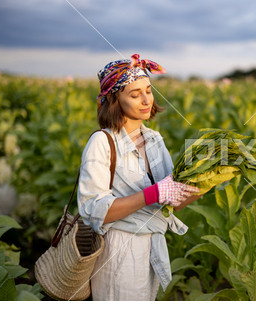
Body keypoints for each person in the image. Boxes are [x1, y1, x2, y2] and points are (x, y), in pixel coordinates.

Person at [77, 54, 199, 301]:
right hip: (119, 250)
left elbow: (170, 204)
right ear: (114, 99)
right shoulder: (102, 142)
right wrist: (152, 193)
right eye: (134, 95)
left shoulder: (154, 140)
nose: (146, 100)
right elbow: (92, 210)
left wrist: (203, 183)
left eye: (148, 91)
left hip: (152, 249)